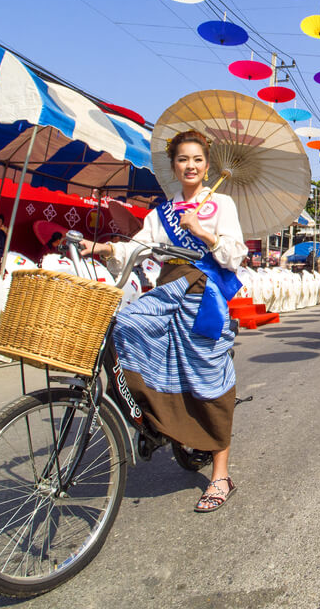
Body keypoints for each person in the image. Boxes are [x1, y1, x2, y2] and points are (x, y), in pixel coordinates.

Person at [81, 130, 247, 511]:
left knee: (209, 380)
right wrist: (102, 247)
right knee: (123, 325)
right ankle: (155, 419)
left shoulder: (221, 204)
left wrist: (202, 232)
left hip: (204, 296)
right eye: (183, 159)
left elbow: (235, 255)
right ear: (173, 165)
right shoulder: (163, 211)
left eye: (197, 159)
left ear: (207, 165)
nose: (190, 165)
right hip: (167, 289)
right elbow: (138, 246)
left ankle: (220, 474)